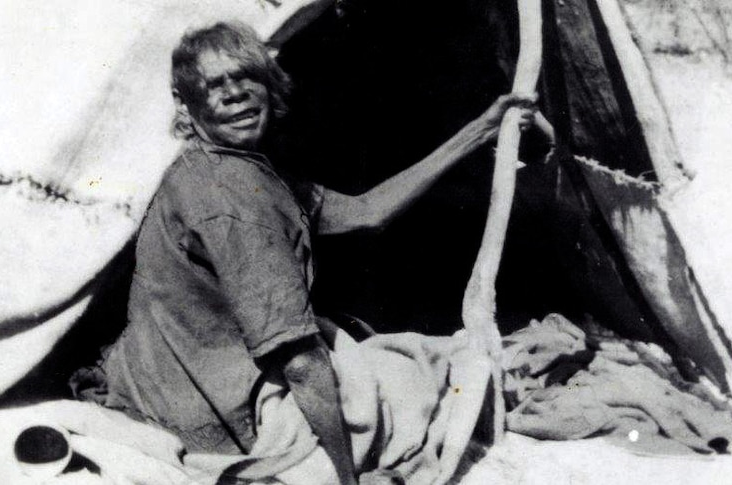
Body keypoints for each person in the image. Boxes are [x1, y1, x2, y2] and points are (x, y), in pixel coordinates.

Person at [93, 21, 538, 485]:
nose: (234, 95)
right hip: (215, 410)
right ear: (188, 105)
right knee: (422, 380)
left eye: (245, 77)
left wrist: (481, 129)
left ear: (269, 85)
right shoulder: (232, 200)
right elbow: (301, 365)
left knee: (398, 365)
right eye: (212, 85)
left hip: (169, 381)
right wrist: (348, 480)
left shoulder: (241, 171)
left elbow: (366, 212)